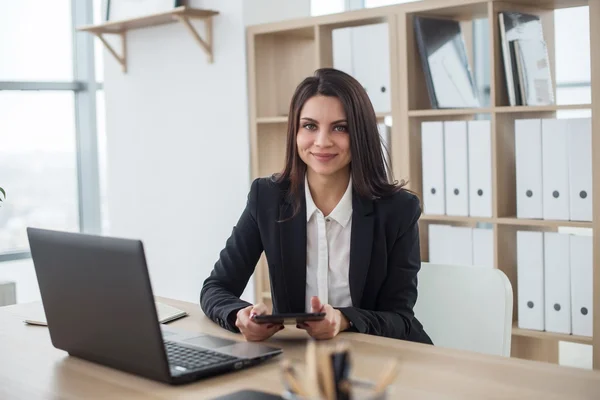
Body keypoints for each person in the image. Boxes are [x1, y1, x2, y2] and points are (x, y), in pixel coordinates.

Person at [200, 68, 432, 345]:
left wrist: (344, 320)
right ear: (295, 132)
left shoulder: (398, 210)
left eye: (340, 127)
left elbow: (400, 319)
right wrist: (240, 315)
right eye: (310, 126)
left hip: (378, 355)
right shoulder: (267, 198)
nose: (322, 141)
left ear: (360, 134)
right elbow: (216, 288)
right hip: (301, 358)